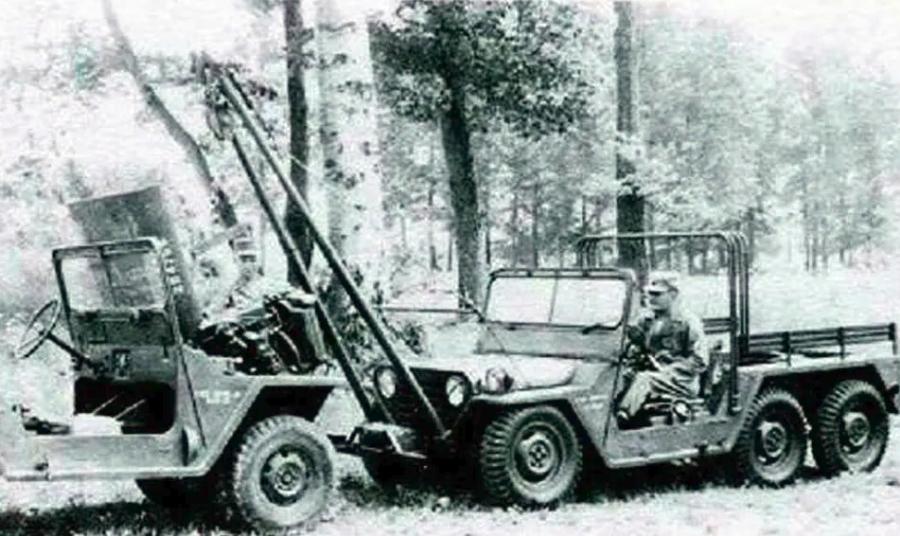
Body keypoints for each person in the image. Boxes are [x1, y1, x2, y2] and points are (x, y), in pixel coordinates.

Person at [617, 271, 708, 425]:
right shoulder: (647, 320)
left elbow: (700, 360)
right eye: (649, 293)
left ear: (673, 294)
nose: (651, 298)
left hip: (679, 381)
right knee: (621, 374)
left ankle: (623, 417)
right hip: (654, 373)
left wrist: (669, 370)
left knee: (644, 379)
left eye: (657, 294)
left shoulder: (688, 322)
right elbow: (636, 345)